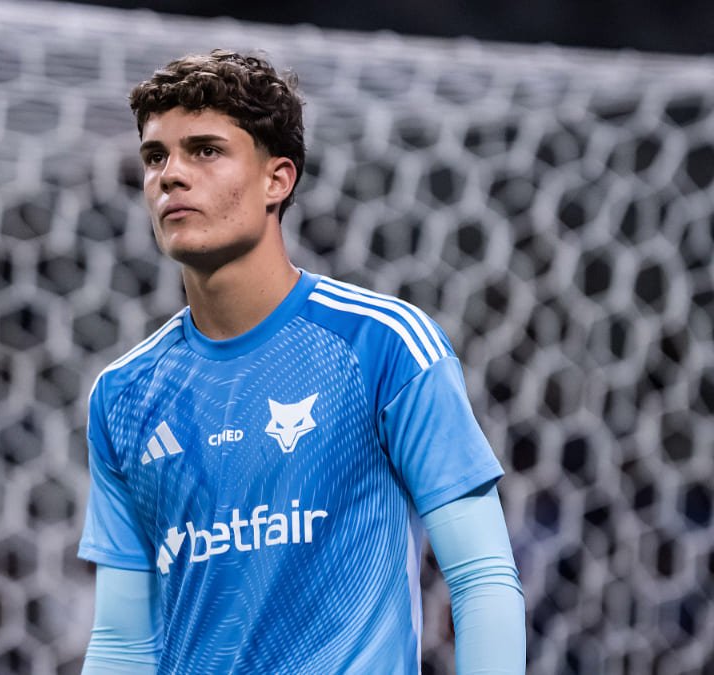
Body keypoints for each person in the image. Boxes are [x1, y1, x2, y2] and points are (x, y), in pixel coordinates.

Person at [77, 49, 526, 673]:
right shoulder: (123, 394)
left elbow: (481, 576)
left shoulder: (382, 344)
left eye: (205, 150)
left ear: (277, 180)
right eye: (156, 157)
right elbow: (124, 640)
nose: (171, 175)